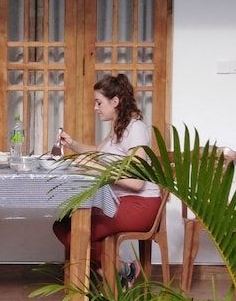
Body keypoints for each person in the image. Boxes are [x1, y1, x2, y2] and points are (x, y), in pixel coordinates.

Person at [53, 74, 162, 287]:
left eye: (99, 102)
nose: (95, 107)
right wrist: (72, 143)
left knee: (78, 231)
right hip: (120, 201)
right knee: (62, 225)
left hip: (140, 205)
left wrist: (95, 166)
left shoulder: (135, 129)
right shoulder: (118, 127)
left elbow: (136, 182)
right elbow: (97, 152)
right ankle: (122, 268)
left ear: (115, 102)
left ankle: (118, 270)